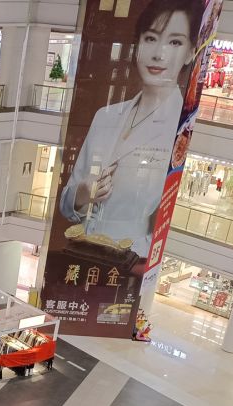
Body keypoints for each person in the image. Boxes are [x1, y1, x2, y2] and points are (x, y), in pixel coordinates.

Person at [58, 0, 204, 257]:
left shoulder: (181, 130)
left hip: (131, 258)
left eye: (175, 42)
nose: (159, 53)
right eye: (151, 38)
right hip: (82, 250)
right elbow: (67, 205)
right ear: (138, 43)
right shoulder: (105, 115)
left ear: (191, 52)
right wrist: (82, 194)